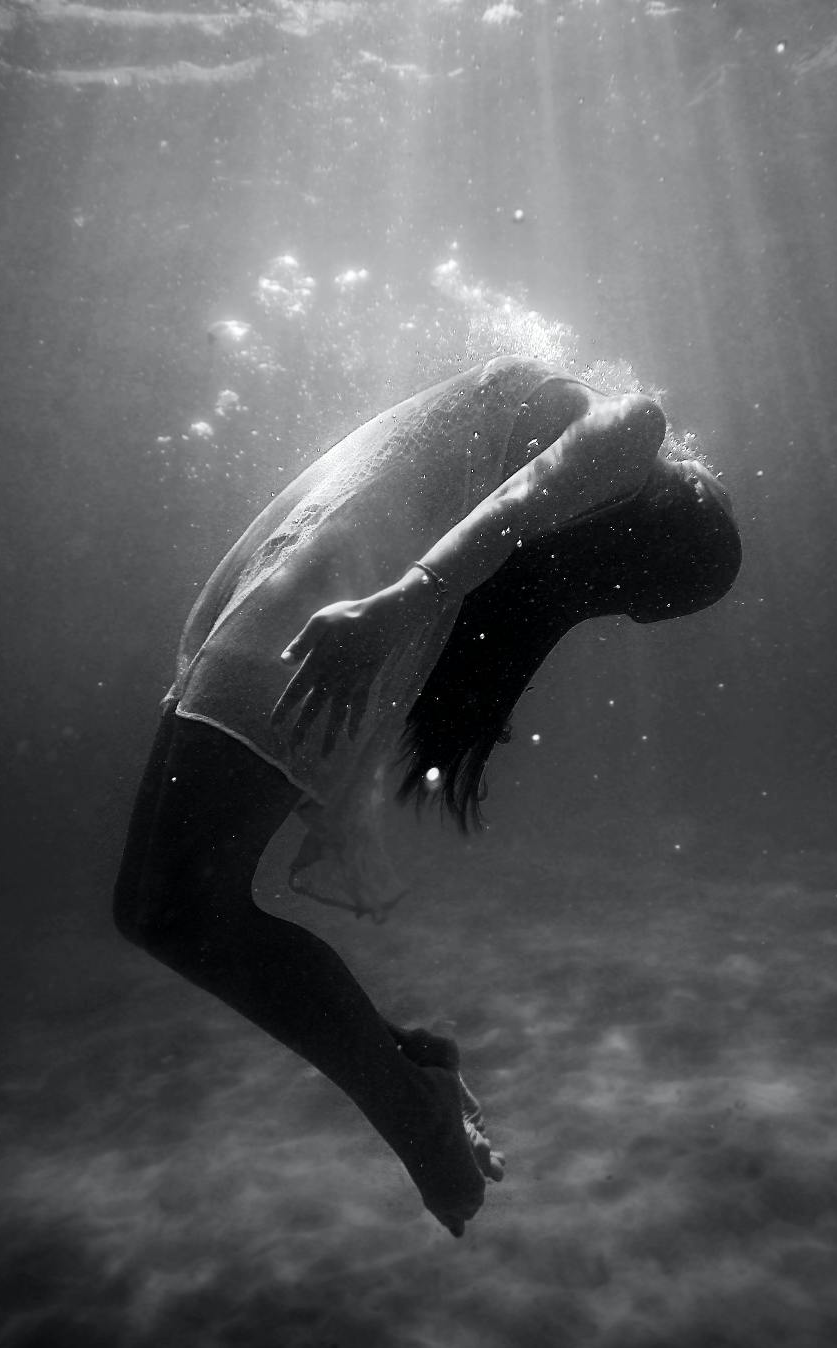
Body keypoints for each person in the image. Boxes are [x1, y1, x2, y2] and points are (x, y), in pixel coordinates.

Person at [113, 355, 741, 1236]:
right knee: (163, 906)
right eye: (632, 595)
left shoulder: (598, 430)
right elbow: (509, 505)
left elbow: (499, 508)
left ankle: (409, 1100)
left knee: (166, 907)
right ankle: (411, 1080)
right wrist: (398, 605)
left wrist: (397, 604)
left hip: (335, 597)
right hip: (337, 595)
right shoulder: (634, 429)